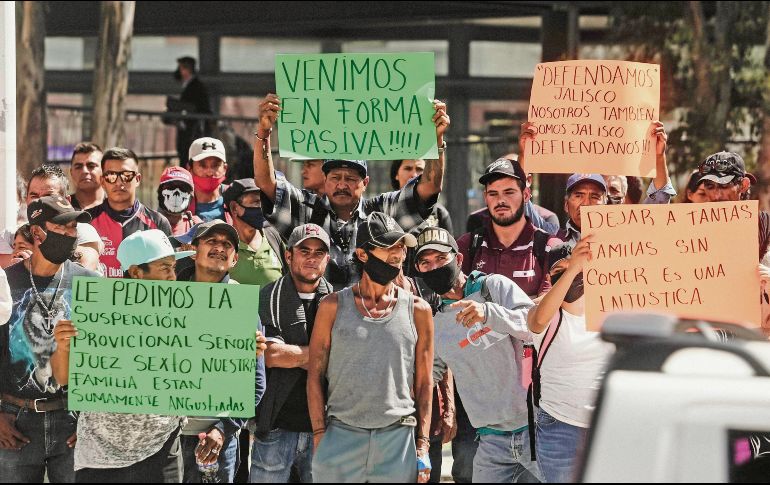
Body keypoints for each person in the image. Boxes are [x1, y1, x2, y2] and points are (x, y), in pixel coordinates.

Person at [253, 93, 449, 290]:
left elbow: (430, 187)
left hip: (374, 316)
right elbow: (266, 182)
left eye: (351, 179)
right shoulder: (306, 209)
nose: (342, 185)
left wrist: (436, 140)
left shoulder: (383, 213)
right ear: (325, 179)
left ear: (365, 182)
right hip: (316, 317)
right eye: (336, 178)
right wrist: (264, 132)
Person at [49, 230, 193, 482]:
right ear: (137, 272)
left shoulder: (187, 312)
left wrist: (241, 348)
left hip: (162, 449)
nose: (173, 276)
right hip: (100, 454)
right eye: (165, 268)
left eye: (173, 268)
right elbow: (63, 379)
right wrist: (62, 346)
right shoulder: (95, 309)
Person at [308, 213, 434, 483]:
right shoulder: (331, 306)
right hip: (341, 434)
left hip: (397, 438)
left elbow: (424, 383)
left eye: (401, 246)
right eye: (388, 246)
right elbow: (315, 375)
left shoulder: (419, 311)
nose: (398, 253)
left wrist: (422, 446)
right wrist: (320, 435)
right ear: (363, 255)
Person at [414, 226, 542, 483]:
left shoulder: (493, 287)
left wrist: (490, 313)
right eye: (425, 263)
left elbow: (537, 328)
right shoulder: (436, 323)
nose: (434, 267)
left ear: (458, 259)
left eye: (441, 258)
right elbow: (426, 378)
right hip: (490, 441)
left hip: (536, 432)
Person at [0, 196, 97, 483]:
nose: (71, 233)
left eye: (74, 227)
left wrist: (93, 420)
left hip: (72, 421)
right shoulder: (5, 283)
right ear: (39, 233)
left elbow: (106, 358)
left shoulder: (91, 285)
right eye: (63, 226)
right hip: (13, 421)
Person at [526, 239, 614, 483]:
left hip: (608, 427)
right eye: (558, 271)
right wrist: (574, 267)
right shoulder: (542, 311)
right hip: (559, 429)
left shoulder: (611, 311)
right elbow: (537, 321)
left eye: (575, 268)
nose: (568, 273)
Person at [251, 224, 333, 483]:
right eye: (304, 250)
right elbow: (270, 355)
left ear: (327, 259)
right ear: (288, 256)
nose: (312, 257)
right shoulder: (266, 296)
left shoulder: (339, 300)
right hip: (276, 426)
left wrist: (291, 355)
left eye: (319, 252)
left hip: (325, 428)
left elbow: (345, 356)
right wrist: (323, 355)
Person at [174, 221, 253, 483]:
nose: (220, 247)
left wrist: (224, 429)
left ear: (235, 259)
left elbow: (257, 380)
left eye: (227, 244)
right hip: (166, 436)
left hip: (216, 440)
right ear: (194, 251)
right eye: (211, 241)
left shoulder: (241, 302)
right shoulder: (166, 296)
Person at [458, 158, 562, 298]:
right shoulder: (467, 245)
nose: (500, 200)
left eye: (509, 192)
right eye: (493, 194)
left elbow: (545, 311)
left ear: (525, 195)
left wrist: (489, 312)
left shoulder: (550, 247)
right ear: (485, 197)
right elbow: (453, 300)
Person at [88, 147, 172, 278]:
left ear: (137, 179)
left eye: (126, 176)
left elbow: (169, 269)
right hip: (99, 297)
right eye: (111, 176)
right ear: (102, 181)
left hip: (144, 298)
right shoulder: (87, 221)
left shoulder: (158, 222)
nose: (119, 182)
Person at [223, 179, 286, 286]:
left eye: (264, 202)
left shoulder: (275, 237)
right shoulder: (224, 245)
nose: (262, 208)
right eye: (256, 202)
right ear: (234, 208)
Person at [390, 159, 453, 234]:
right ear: (396, 174)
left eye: (419, 169)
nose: (414, 175)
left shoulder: (439, 212)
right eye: (408, 168)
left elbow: (449, 244)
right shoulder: (383, 208)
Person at [172, 56, 212, 164]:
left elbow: (195, 107)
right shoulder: (192, 85)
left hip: (192, 133)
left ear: (186, 69)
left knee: (188, 159)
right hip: (190, 132)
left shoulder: (195, 86)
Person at [187, 137, 231, 223]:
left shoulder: (236, 199)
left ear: (225, 168)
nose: (209, 172)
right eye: (202, 165)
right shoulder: (178, 203)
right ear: (190, 169)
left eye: (215, 165)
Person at [157, 165, 203, 236]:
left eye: (183, 188)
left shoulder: (197, 226)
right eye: (171, 187)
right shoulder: (149, 224)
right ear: (160, 192)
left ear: (191, 196)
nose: (176, 192)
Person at [69, 142, 105, 210]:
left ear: (104, 170)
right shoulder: (60, 209)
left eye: (91, 166)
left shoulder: (117, 207)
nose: (84, 171)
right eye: (78, 167)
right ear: (71, 173)